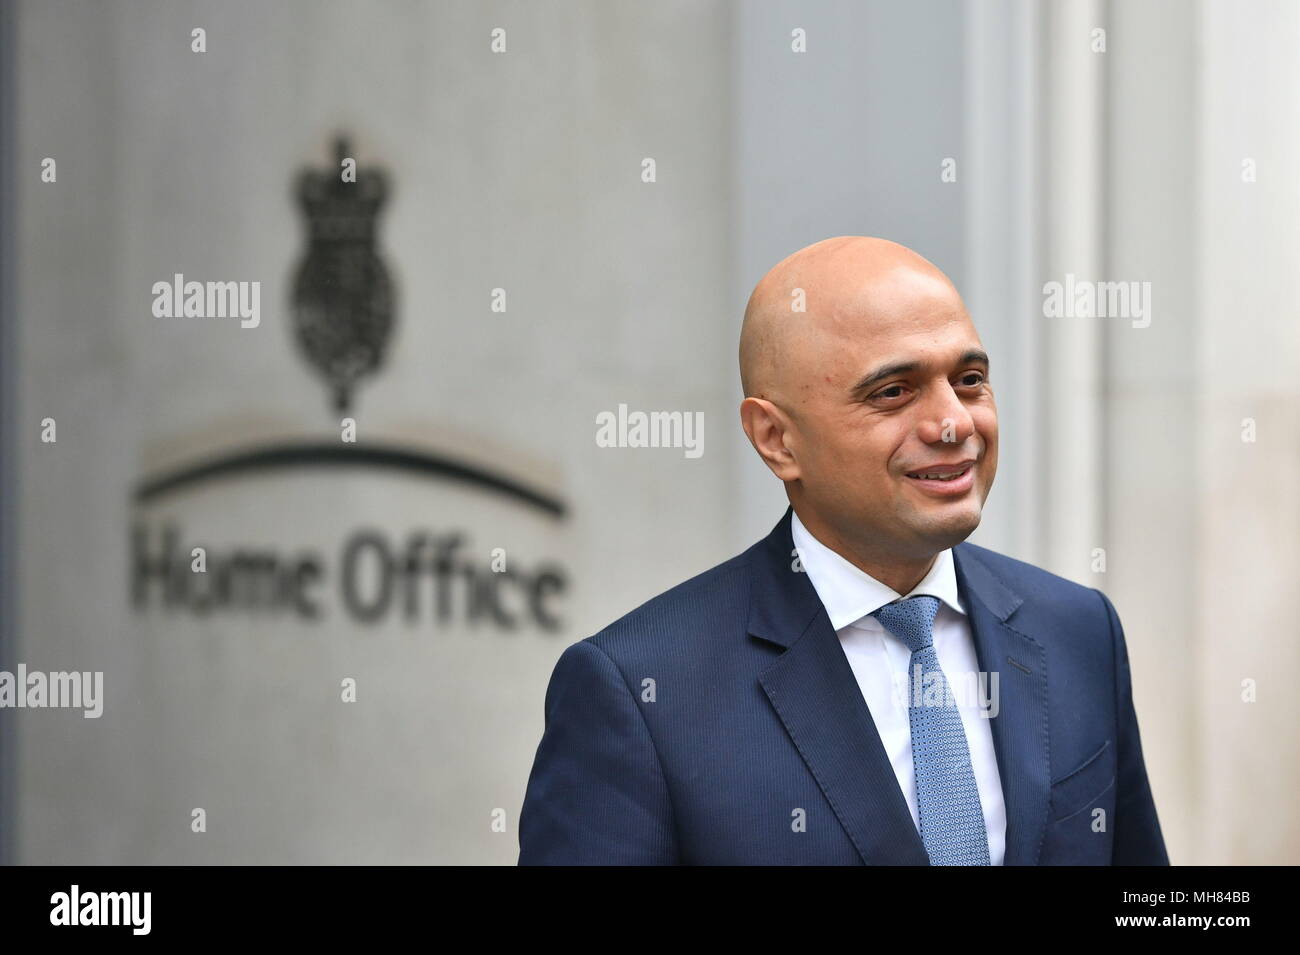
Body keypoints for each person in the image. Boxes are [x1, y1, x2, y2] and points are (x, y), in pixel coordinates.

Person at [517, 236, 1169, 865]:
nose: (954, 422)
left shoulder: (1079, 633)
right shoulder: (639, 694)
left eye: (969, 379)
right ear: (776, 438)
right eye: (893, 391)